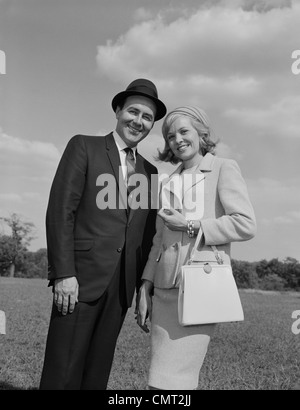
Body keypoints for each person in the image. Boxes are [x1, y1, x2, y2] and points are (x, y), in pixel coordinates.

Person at [39, 78, 167, 390]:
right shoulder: (84, 146)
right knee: (63, 369)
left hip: (121, 286)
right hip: (79, 280)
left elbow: (148, 232)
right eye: (133, 112)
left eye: (147, 117)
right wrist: (63, 273)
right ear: (118, 110)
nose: (138, 121)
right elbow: (60, 212)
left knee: (97, 373)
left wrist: (142, 289)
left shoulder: (151, 172)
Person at [137, 106, 257, 390]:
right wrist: (145, 286)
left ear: (201, 133)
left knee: (172, 381)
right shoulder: (168, 180)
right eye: (169, 135)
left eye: (183, 131)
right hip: (164, 292)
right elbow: (158, 240)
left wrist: (191, 226)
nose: (177, 139)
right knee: (160, 378)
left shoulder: (223, 168)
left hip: (200, 289)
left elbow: (246, 224)